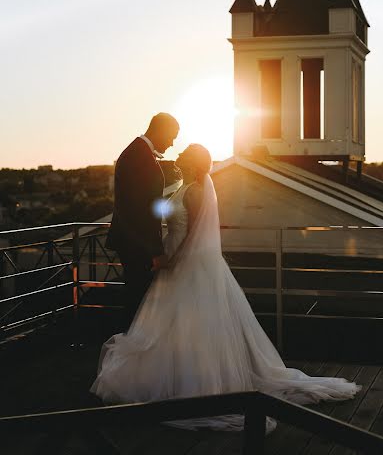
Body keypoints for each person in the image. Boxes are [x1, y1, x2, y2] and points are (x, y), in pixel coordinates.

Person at [93, 143, 360, 432]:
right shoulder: (184, 186)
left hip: (187, 261)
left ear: (194, 162)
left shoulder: (196, 192)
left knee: (191, 322)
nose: (178, 156)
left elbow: (195, 233)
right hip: (176, 260)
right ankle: (179, 374)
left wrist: (172, 260)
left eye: (184, 155)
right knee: (175, 323)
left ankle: (195, 381)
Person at [105, 112, 179, 328]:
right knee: (138, 301)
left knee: (137, 299)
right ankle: (130, 350)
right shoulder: (139, 156)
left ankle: (132, 347)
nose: (172, 143)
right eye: (172, 137)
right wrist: (156, 251)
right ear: (161, 130)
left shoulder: (138, 152)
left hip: (133, 241)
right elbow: (141, 211)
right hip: (136, 244)